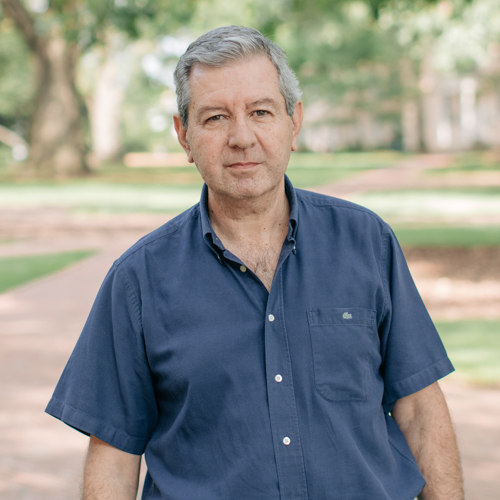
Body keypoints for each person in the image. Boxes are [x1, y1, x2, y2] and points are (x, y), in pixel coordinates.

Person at [46, 25, 463, 499]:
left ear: (294, 121)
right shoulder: (137, 281)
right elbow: (114, 455)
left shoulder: (367, 242)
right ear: (184, 135)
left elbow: (419, 408)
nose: (241, 137)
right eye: (216, 118)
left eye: (260, 112)